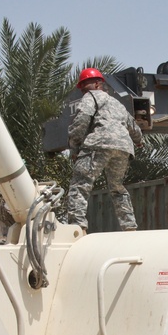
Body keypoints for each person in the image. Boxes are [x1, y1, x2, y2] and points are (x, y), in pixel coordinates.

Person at [66, 67, 144, 232]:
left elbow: (81, 122)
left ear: (97, 84)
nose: (83, 89)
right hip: (123, 148)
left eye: (85, 85)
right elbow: (134, 127)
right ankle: (129, 226)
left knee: (80, 184)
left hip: (98, 144)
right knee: (117, 187)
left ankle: (77, 226)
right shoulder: (117, 104)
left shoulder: (90, 97)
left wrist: (75, 147)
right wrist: (139, 142)